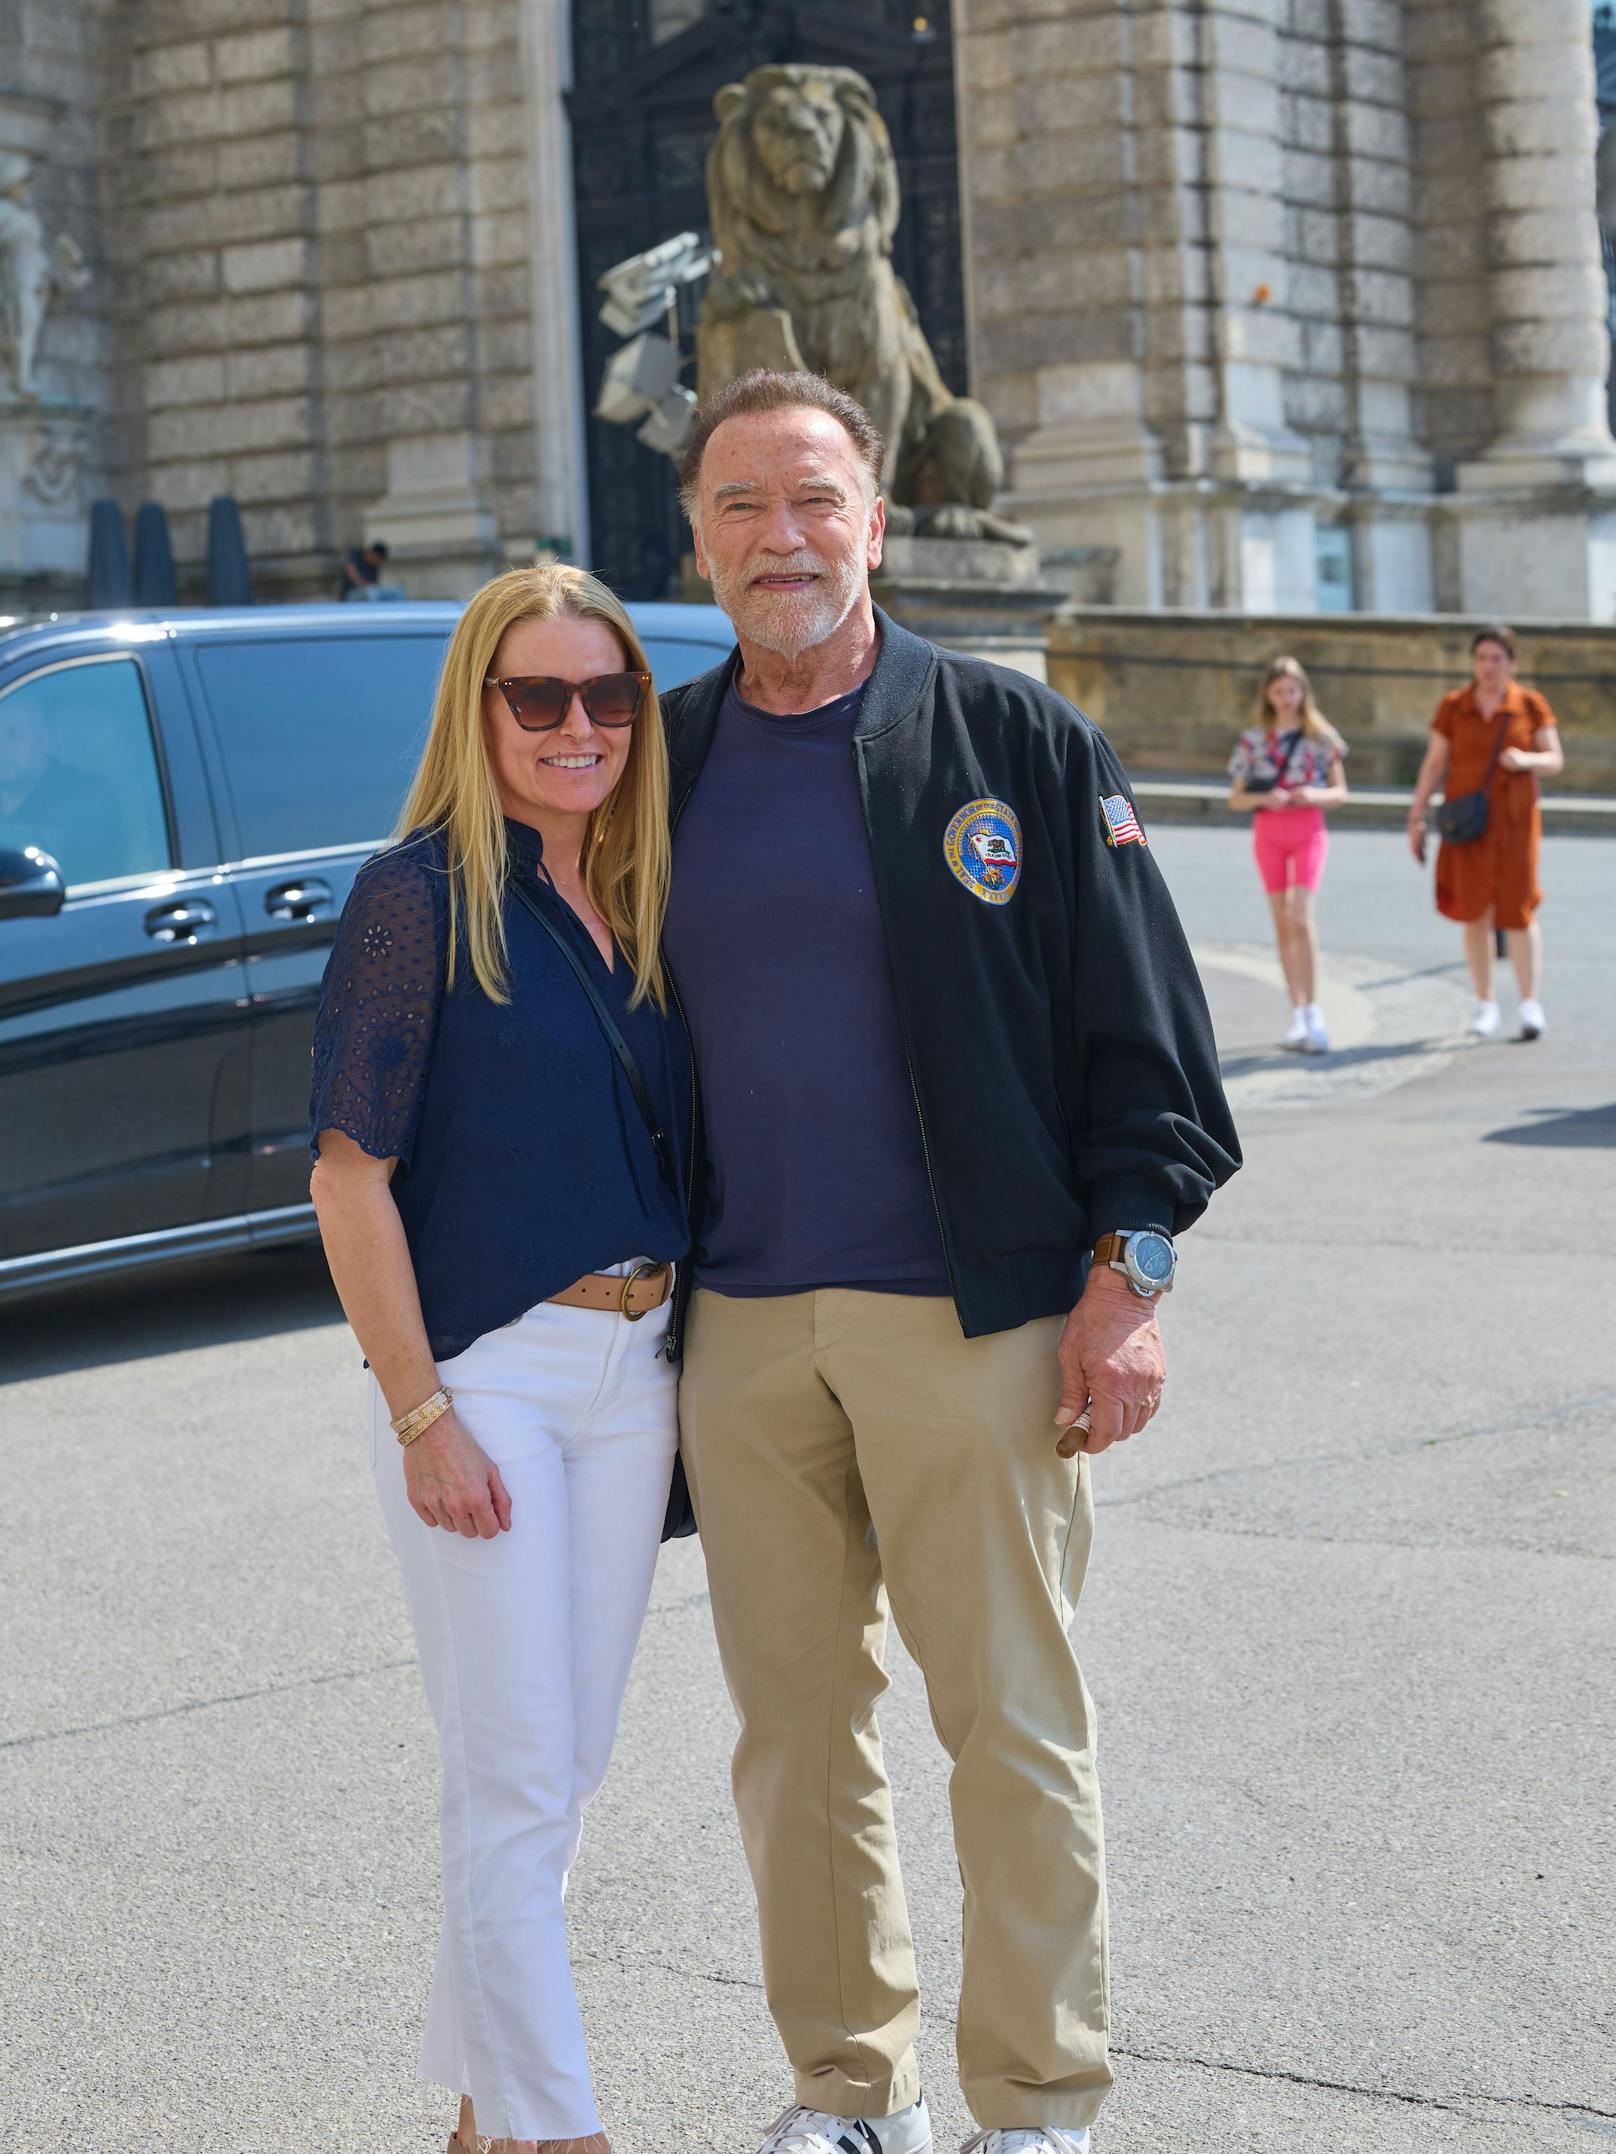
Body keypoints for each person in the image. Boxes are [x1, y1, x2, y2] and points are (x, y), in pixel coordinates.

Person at [660, 369, 1240, 2154]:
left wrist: (1124, 1282)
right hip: (739, 1329)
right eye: (743, 505)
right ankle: (852, 2088)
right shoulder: (653, 762)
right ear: (694, 537)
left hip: (968, 1317)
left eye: (815, 498)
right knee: (795, 1730)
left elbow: (1153, 1057)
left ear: (878, 520)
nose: (782, 536)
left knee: (1011, 1722)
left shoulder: (1017, 743)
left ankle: (1040, 2102)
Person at [308, 564, 692, 2154]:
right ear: (482, 712)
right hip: (497, 1384)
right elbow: (350, 1178)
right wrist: (421, 1414)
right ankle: (559, 2131)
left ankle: (480, 2118)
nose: (578, 725)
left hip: (641, 1376)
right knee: (519, 1779)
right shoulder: (419, 896)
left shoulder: (651, 891)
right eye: (539, 697)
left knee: (556, 1768)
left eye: (608, 696)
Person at [1407, 623, 1564, 1040]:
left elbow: (1555, 759)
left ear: (1511, 662)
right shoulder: (1455, 706)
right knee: (1475, 910)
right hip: (1469, 824)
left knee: (1519, 909)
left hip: (1515, 822)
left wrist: (1526, 761)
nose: (1488, 666)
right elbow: (1434, 764)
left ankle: (1529, 1002)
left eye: (1497, 658)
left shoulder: (1529, 704)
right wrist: (1416, 813)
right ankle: (1485, 1001)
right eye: (1482, 658)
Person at [1227, 654, 1349, 1053]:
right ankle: (1296, 1009)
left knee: (1300, 915)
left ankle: (1314, 1009)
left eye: (1292, 690)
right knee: (1281, 921)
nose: (1286, 698)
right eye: (1279, 691)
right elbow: (1237, 799)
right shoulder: (1254, 739)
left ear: (1303, 692)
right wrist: (1268, 797)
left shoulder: (1321, 736)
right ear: (1268, 694)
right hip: (1269, 831)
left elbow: (1340, 792)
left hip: (1307, 828)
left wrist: (1312, 794)